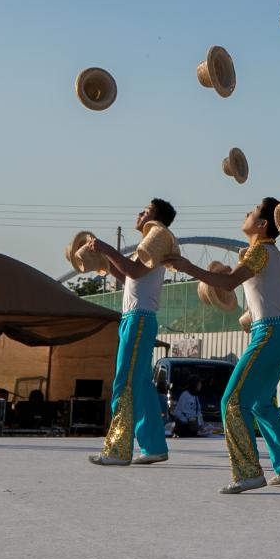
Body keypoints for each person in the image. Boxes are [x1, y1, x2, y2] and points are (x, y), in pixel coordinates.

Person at [167, 199, 280, 494]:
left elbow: (228, 283)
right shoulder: (271, 253)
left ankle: (248, 472)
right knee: (260, 403)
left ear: (262, 224)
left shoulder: (260, 251)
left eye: (251, 212)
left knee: (231, 402)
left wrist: (189, 267)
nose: (246, 214)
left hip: (268, 333)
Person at [84, 199, 175, 466]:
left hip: (139, 319)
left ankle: (117, 449)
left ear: (155, 219)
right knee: (142, 386)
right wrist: (103, 261)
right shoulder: (147, 246)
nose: (139, 213)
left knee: (124, 383)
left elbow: (133, 271)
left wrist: (107, 249)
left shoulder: (156, 240)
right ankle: (154, 446)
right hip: (136, 319)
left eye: (145, 211)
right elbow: (131, 277)